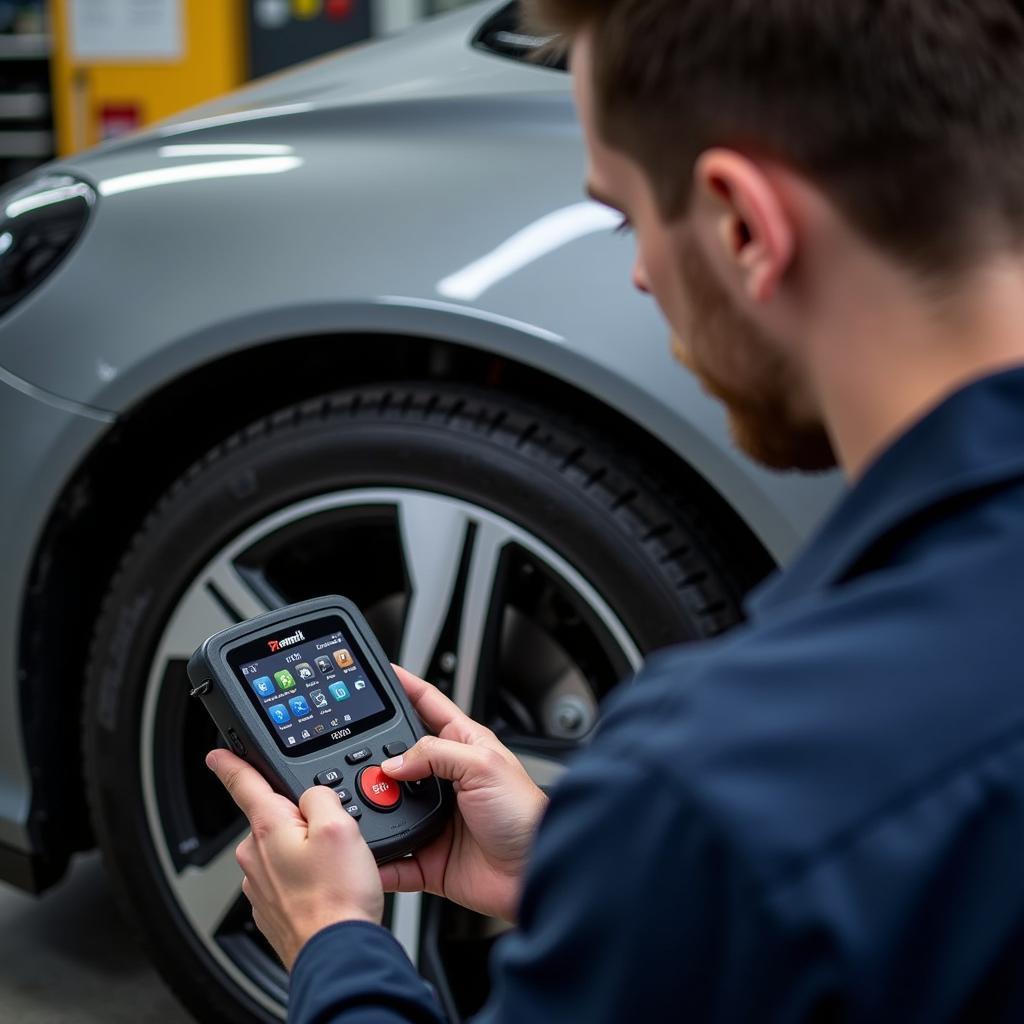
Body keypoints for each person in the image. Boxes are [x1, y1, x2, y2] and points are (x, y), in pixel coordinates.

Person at [206, 1, 1024, 1019]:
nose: (639, 272)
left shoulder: (718, 788)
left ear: (741, 226)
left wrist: (333, 946)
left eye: (631, 214)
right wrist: (575, 879)